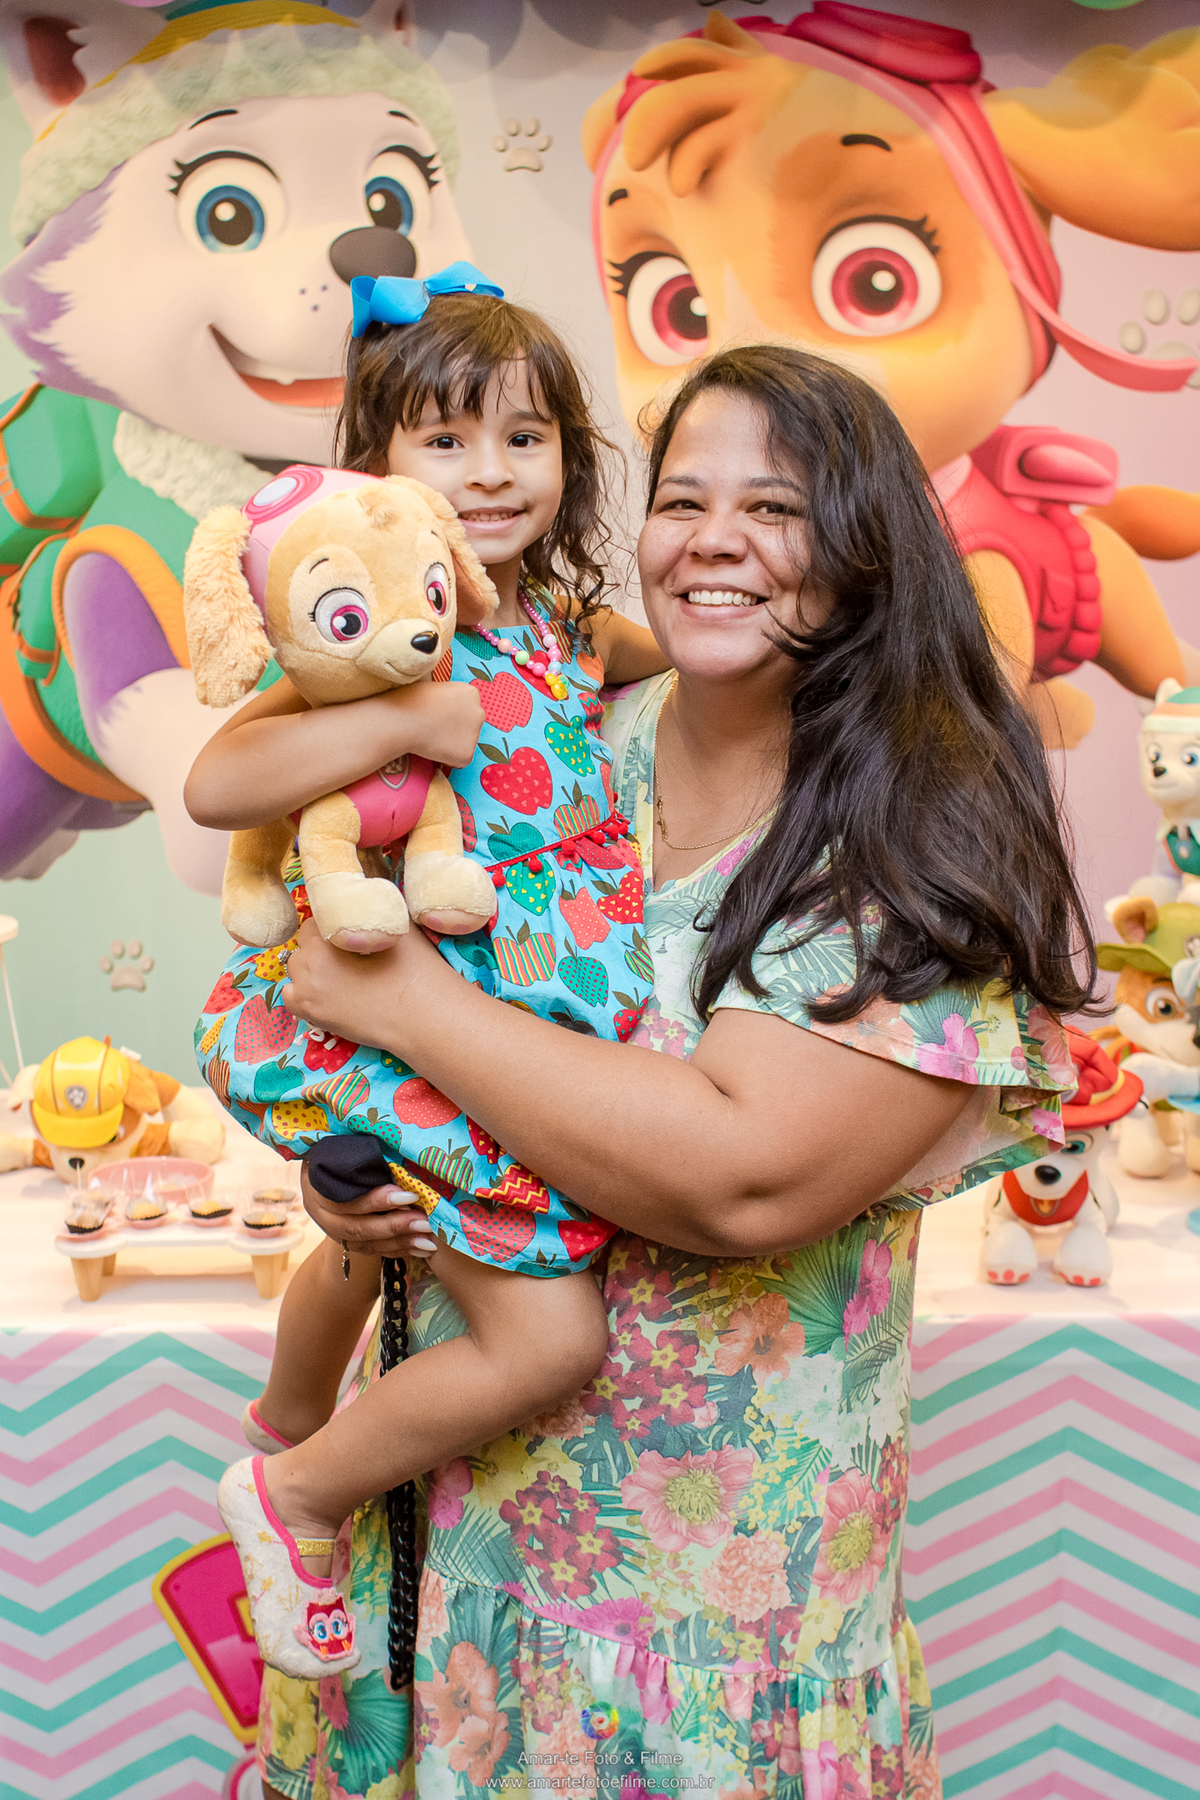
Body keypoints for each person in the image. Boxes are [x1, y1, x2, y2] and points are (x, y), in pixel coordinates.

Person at [253, 343, 1092, 1798]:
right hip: (441, 1571)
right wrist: (369, 1179)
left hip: (705, 1637)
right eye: (683, 499)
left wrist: (411, 1012)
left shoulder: (919, 829)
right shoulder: (566, 744)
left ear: (870, 547)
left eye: (775, 507)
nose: (713, 539)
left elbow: (743, 1178)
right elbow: (375, 996)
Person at [183, 274, 669, 1679]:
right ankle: (297, 1490)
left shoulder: (574, 631)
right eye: (446, 441)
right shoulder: (374, 633)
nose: (491, 472)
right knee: (546, 1336)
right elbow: (222, 785)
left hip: (514, 1035)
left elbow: (701, 683)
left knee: (366, 1242)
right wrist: (405, 715)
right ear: (378, 469)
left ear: (571, 455)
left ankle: (288, 1421)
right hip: (399, 1018)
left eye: (526, 437)